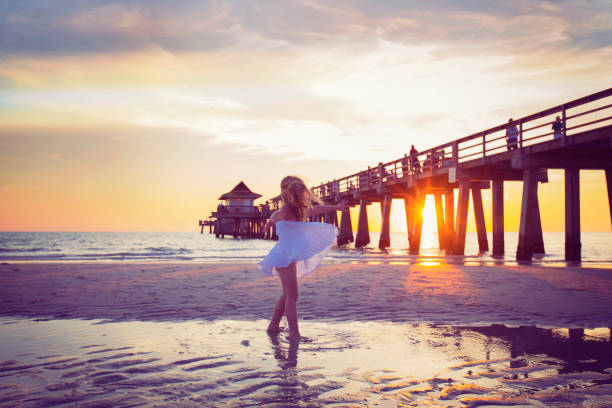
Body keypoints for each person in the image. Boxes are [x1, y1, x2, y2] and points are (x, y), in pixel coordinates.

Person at [259, 175, 347, 342]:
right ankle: (294, 334)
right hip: (283, 258)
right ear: (290, 193)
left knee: (287, 294)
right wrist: (269, 223)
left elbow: (317, 210)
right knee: (293, 296)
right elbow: (276, 214)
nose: (302, 195)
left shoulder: (298, 209)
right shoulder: (285, 210)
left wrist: (336, 207)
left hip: (286, 257)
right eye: (298, 192)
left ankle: (273, 325)